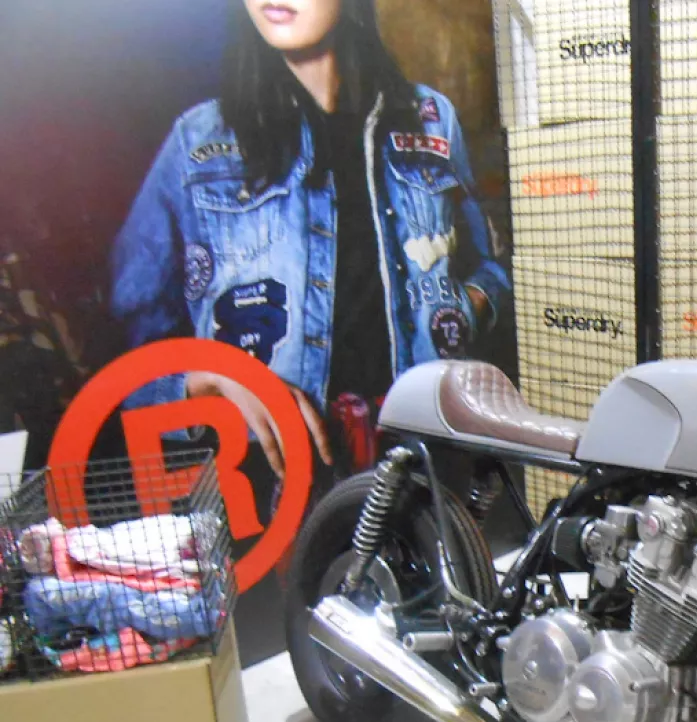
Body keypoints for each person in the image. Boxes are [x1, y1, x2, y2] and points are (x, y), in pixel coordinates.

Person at [110, 0, 510, 481]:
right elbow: (126, 348)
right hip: (270, 479)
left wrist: (461, 311)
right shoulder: (198, 141)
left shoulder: (430, 120)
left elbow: (492, 266)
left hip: (422, 463)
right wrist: (203, 380)